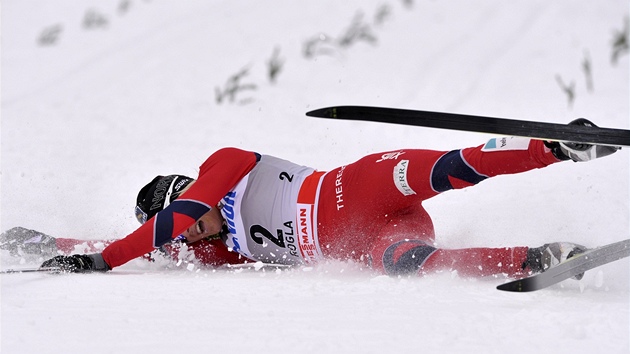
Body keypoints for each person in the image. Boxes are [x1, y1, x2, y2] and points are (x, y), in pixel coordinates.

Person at [1, 118, 620, 279]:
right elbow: (137, 248)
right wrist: (48, 245)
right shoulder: (214, 253)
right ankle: (540, 259)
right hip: (367, 236)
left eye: (183, 209)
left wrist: (105, 260)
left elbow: (176, 219)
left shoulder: (221, 166)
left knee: (448, 169)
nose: (190, 226)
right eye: (177, 229)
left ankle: (558, 147)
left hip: (359, 185)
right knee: (408, 265)